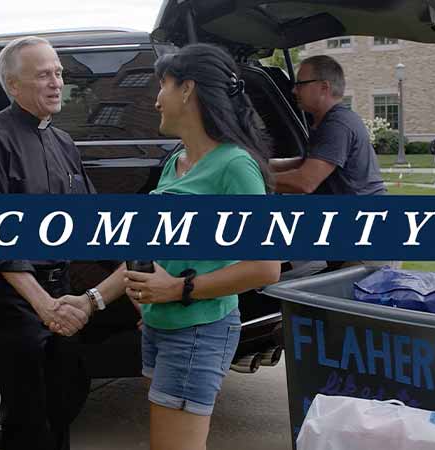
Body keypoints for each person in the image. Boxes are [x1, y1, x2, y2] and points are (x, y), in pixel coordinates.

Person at [52, 43, 280, 450]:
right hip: (161, 328)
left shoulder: (235, 166)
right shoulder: (178, 159)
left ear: (187, 90)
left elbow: (265, 268)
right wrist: (91, 300)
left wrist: (177, 289)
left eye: (161, 86)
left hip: (197, 332)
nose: (155, 99)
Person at [0, 36, 96, 450]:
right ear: (13, 86)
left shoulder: (63, 142)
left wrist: (137, 285)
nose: (56, 82)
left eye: (57, 72)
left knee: (64, 403)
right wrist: (44, 305)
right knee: (28, 416)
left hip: (60, 292)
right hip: (11, 298)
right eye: (42, 75)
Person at [270, 55, 385, 196]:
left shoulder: (338, 124)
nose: (294, 90)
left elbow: (305, 182)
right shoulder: (327, 121)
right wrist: (260, 165)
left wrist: (251, 179)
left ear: (324, 87)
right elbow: (307, 163)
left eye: (300, 84)